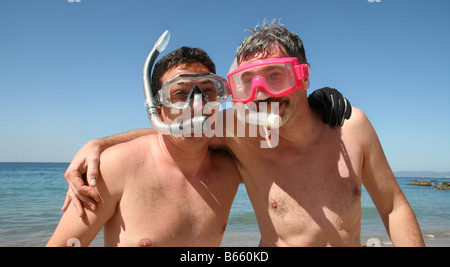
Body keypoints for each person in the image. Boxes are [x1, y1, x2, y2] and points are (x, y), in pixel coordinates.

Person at [65, 24, 420, 247]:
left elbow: (393, 206)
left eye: (276, 76)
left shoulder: (351, 127)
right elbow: (179, 129)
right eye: (248, 82)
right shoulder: (244, 133)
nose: (262, 92)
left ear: (304, 76)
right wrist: (99, 144)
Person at [47, 47, 242, 246]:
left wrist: (99, 143)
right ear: (157, 108)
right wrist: (98, 145)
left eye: (208, 91)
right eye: (180, 93)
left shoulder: (231, 169)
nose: (197, 105)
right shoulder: (114, 167)